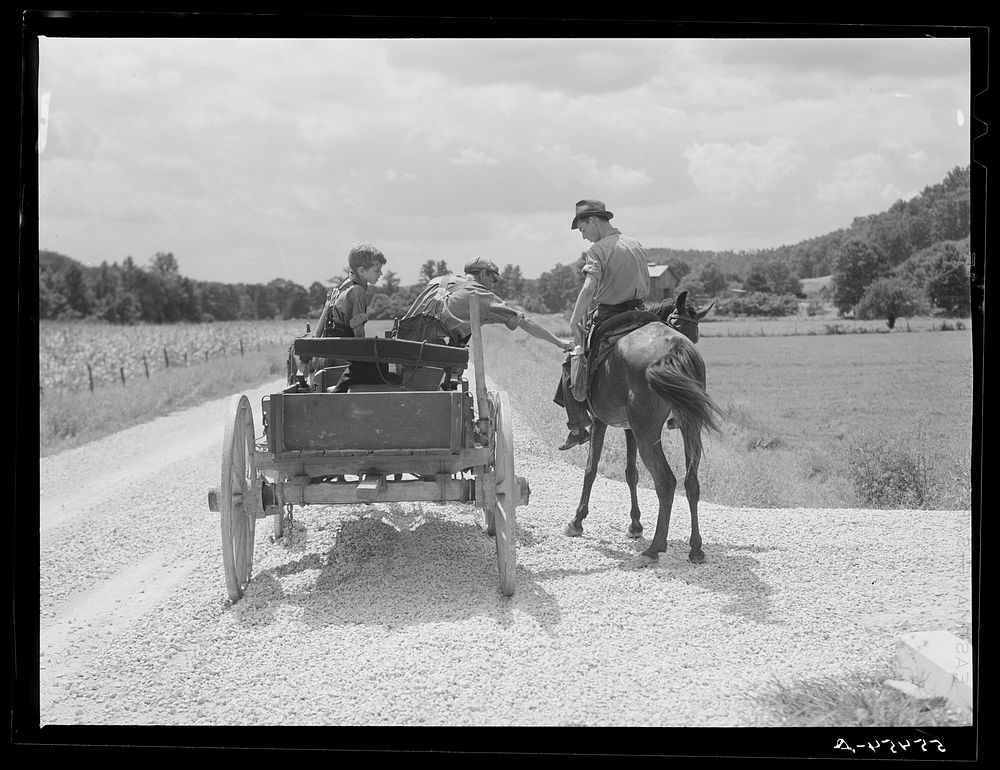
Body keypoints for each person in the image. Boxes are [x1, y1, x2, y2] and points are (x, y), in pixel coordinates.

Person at [555, 199, 650, 450]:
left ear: (594, 221)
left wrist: (575, 318)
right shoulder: (636, 244)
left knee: (571, 363)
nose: (584, 237)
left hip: (610, 316)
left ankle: (578, 427)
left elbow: (589, 289)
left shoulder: (598, 250)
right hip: (642, 313)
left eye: (584, 230)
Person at [399, 257, 572, 388]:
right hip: (436, 353)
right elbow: (523, 321)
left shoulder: (436, 281)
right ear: (483, 274)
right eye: (493, 280)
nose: (492, 285)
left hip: (403, 346)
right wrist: (559, 342)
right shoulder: (480, 294)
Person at [313, 242, 389, 393]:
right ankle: (340, 391)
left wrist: (315, 345)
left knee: (373, 361)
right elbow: (358, 331)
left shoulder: (343, 286)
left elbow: (324, 314)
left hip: (331, 342)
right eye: (377, 270)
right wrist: (365, 353)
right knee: (379, 363)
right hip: (343, 344)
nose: (380, 274)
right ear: (361, 270)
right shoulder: (357, 291)